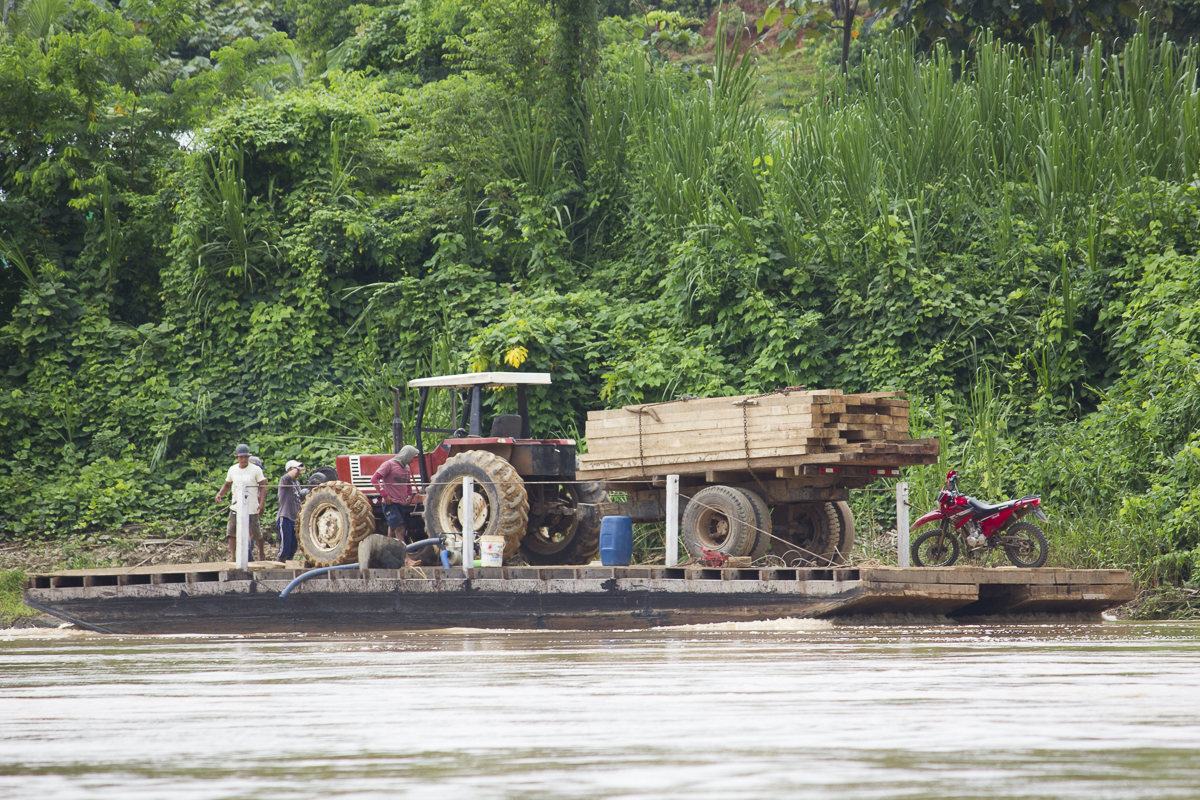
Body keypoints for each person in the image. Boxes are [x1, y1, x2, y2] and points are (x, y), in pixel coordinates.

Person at [215, 444, 268, 562]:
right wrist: (220, 494)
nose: (244, 459)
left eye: (246, 457)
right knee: (232, 531)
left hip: (252, 507)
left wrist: (262, 504)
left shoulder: (256, 470)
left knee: (256, 533)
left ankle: (261, 554)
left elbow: (263, 487)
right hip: (236, 507)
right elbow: (227, 485)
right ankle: (233, 556)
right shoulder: (233, 470)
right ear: (237, 458)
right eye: (241, 457)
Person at [371, 445, 419, 566]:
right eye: (412, 457)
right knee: (400, 529)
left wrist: (409, 496)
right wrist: (385, 495)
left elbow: (408, 483)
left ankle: (386, 558)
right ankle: (406, 559)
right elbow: (374, 479)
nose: (413, 460)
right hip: (391, 504)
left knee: (392, 532)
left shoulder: (406, 468)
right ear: (406, 455)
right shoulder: (389, 464)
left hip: (401, 504)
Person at [277, 460, 305, 562]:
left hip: (294, 519)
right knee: (285, 547)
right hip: (285, 517)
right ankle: (280, 562)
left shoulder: (297, 483)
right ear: (289, 470)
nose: (298, 472)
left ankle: (288, 564)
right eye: (295, 469)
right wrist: (297, 469)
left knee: (293, 547)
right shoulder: (284, 480)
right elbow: (288, 476)